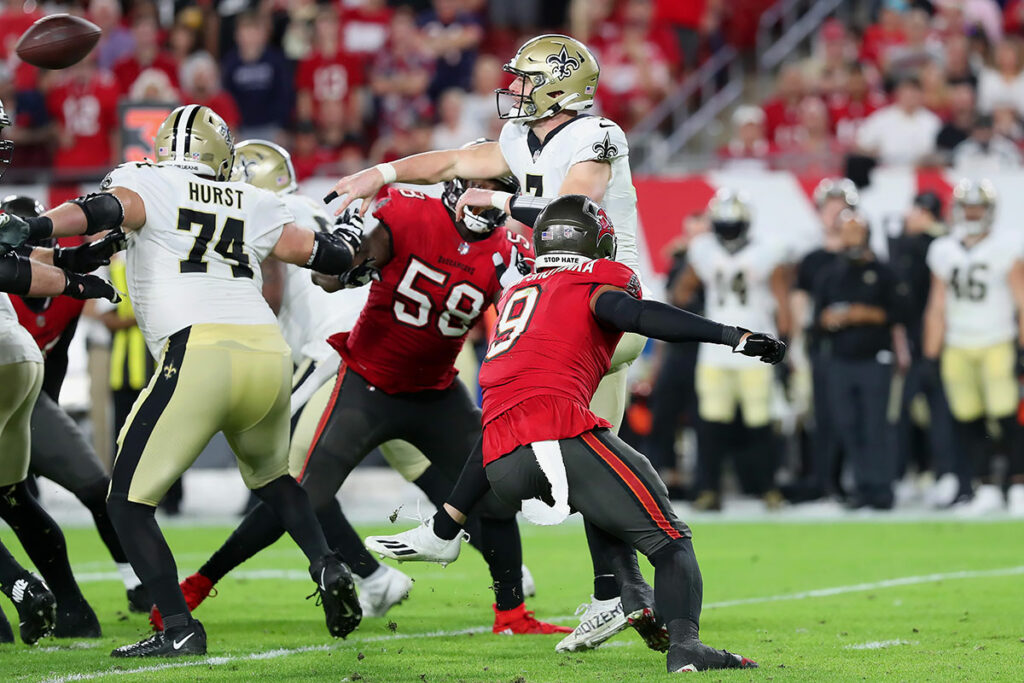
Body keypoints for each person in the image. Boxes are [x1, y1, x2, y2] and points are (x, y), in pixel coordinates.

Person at [0, 104, 365, 657]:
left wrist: (36, 225)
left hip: (199, 349)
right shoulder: (255, 199)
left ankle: (178, 626)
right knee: (273, 479)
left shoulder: (149, 180)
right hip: (267, 352)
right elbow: (328, 255)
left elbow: (100, 208)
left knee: (126, 501)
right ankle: (327, 563)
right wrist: (352, 231)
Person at [157, 145, 565, 636]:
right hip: (366, 385)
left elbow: (527, 315)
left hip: (436, 392)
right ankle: (201, 582)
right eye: (485, 192)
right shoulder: (408, 212)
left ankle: (512, 614)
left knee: (497, 492)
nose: (488, 206)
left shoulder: (506, 251)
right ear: (456, 188)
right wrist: (352, 259)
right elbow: (331, 277)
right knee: (305, 494)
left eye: (500, 195)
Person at [332, 33, 651, 652]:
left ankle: (447, 527)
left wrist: (501, 201)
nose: (514, 91)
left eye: (526, 80)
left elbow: (571, 209)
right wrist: (380, 173)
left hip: (605, 299)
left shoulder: (598, 134)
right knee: (591, 456)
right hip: (563, 304)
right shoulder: (518, 139)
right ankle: (619, 594)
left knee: (513, 392)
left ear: (560, 86)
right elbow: (452, 161)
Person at [475, 194, 782, 672]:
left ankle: (629, 591)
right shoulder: (593, 283)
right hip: (559, 429)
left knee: (605, 502)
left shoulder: (519, 288)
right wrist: (732, 336)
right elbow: (643, 316)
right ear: (596, 242)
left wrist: (451, 517)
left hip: (498, 454)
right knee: (670, 539)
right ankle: (686, 646)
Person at [3, 195, 149, 617]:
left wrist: (40, 409)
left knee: (91, 486)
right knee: (17, 497)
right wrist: (75, 275)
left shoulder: (62, 293)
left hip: (30, 396)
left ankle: (125, 582)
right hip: (18, 381)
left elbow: (58, 354)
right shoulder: (24, 286)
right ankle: (36, 596)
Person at [673, 190, 790, 510]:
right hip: (725, 351)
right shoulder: (707, 251)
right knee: (715, 425)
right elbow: (682, 293)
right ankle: (721, 489)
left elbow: (680, 294)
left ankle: (760, 488)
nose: (727, 231)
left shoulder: (758, 252)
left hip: (740, 349)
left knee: (758, 423)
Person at [923, 179, 1024, 515]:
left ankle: (1018, 484)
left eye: (979, 207)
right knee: (967, 419)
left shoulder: (1006, 246)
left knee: (1007, 416)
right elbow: (936, 305)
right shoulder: (943, 249)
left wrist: (1022, 349)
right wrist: (931, 353)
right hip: (958, 343)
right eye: (969, 207)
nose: (973, 213)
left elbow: (1022, 300)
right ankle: (985, 487)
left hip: (997, 339)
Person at [812, 210, 910, 510]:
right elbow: (817, 318)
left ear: (867, 234)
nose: (852, 237)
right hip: (840, 359)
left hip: (875, 358)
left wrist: (864, 314)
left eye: (857, 231)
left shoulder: (884, 272)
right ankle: (863, 487)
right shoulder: (830, 274)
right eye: (847, 231)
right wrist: (828, 319)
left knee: (875, 426)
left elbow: (902, 313)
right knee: (847, 425)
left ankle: (882, 490)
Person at [888, 192, 964, 507]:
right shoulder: (950, 241)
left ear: (923, 213)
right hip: (942, 338)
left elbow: (910, 300)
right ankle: (932, 473)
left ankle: (931, 474)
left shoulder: (919, 245)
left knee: (928, 411)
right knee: (921, 412)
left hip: (930, 338)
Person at [786, 178, 858, 502]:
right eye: (829, 208)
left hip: (854, 346)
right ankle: (817, 476)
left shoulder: (860, 253)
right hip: (819, 345)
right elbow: (800, 300)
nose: (834, 214)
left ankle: (844, 478)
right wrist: (797, 341)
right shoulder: (813, 257)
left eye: (840, 207)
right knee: (815, 413)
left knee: (849, 413)